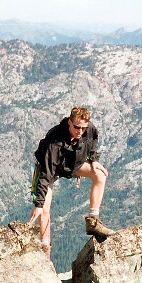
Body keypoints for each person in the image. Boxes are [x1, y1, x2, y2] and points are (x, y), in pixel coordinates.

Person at [28, 106, 114, 257]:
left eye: (83, 128)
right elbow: (46, 173)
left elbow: (93, 140)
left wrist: (93, 159)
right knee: (45, 208)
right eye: (77, 127)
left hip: (73, 165)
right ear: (69, 122)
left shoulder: (89, 129)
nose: (80, 131)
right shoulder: (54, 141)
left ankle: (93, 221)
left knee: (100, 175)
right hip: (51, 169)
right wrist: (39, 204)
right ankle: (45, 248)